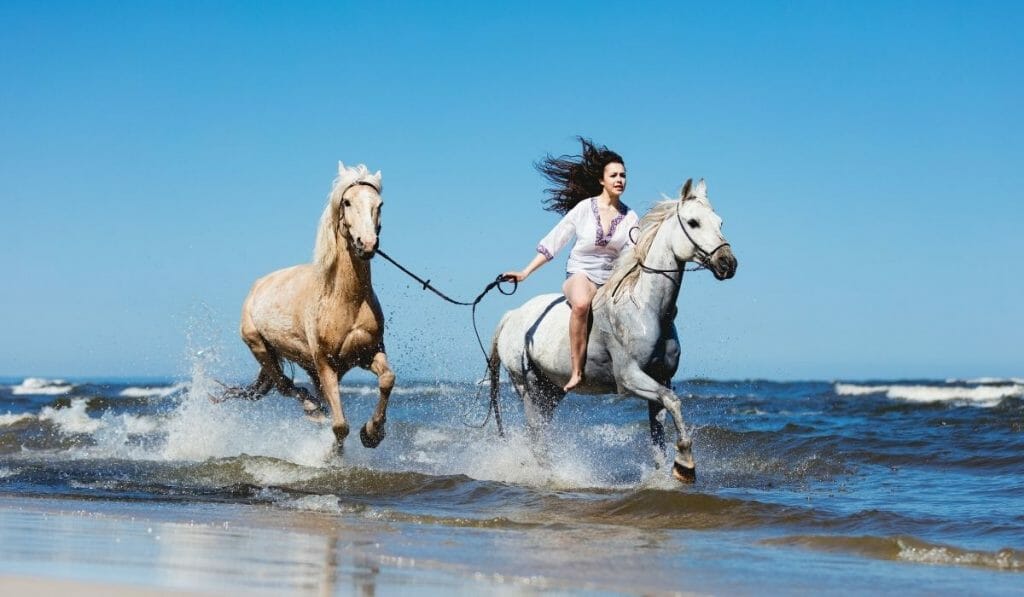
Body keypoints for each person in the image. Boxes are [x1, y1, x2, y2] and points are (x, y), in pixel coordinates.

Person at [503, 138, 639, 392]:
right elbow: (554, 242)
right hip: (581, 275)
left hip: (612, 281)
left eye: (623, 175)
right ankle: (577, 370)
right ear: (602, 180)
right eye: (614, 175)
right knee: (581, 304)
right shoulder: (584, 209)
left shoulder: (630, 217)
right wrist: (524, 273)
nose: (620, 179)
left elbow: (633, 254)